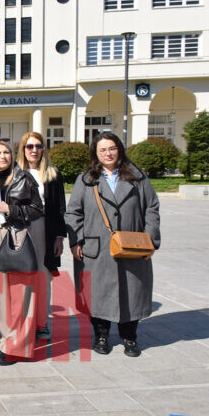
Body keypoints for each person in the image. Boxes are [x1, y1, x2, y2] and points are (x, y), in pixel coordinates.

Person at [65, 132, 161, 357]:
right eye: (102, 150)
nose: (107, 153)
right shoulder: (87, 179)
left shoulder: (137, 177)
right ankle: (101, 336)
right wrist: (76, 240)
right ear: (95, 154)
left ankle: (130, 337)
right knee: (98, 293)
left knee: (132, 292)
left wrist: (150, 240)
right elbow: (73, 212)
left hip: (133, 246)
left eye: (112, 148)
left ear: (119, 150)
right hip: (96, 248)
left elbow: (152, 208)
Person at [0, 140, 43, 365]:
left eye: (6, 152)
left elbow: (38, 209)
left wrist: (12, 209)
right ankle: (6, 341)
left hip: (16, 234)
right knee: (0, 295)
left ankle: (19, 346)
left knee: (21, 295)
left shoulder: (23, 178)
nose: (3, 156)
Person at [15, 132, 67, 340]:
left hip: (46, 229)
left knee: (43, 278)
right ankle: (23, 322)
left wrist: (60, 237)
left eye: (38, 146)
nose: (34, 150)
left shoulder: (52, 174)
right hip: (22, 229)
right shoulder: (15, 173)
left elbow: (60, 208)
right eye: (29, 147)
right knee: (23, 279)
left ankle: (41, 324)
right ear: (23, 150)